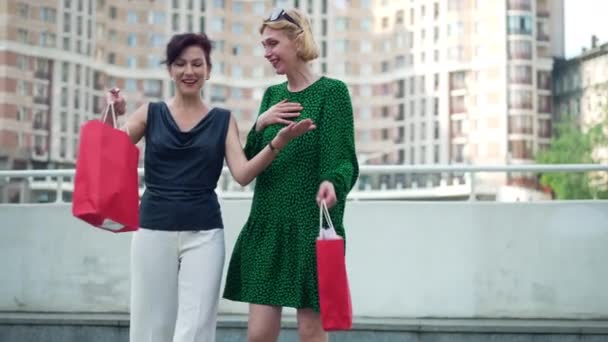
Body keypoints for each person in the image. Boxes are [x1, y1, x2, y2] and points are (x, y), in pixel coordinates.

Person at [104, 32, 315, 342]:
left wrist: (277, 143)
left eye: (197, 64)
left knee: (196, 330)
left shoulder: (222, 120)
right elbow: (110, 153)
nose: (189, 71)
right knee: (150, 327)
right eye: (181, 64)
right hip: (152, 229)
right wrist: (115, 113)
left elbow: (242, 174)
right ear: (170, 70)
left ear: (208, 70)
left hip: (204, 234)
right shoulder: (151, 113)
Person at [223, 8, 359, 342]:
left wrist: (332, 183)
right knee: (258, 336)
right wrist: (260, 123)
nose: (267, 52)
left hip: (309, 226)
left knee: (311, 335)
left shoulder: (332, 93)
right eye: (263, 45)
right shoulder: (271, 97)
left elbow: (342, 159)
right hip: (268, 224)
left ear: (297, 41)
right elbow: (250, 162)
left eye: (273, 43)